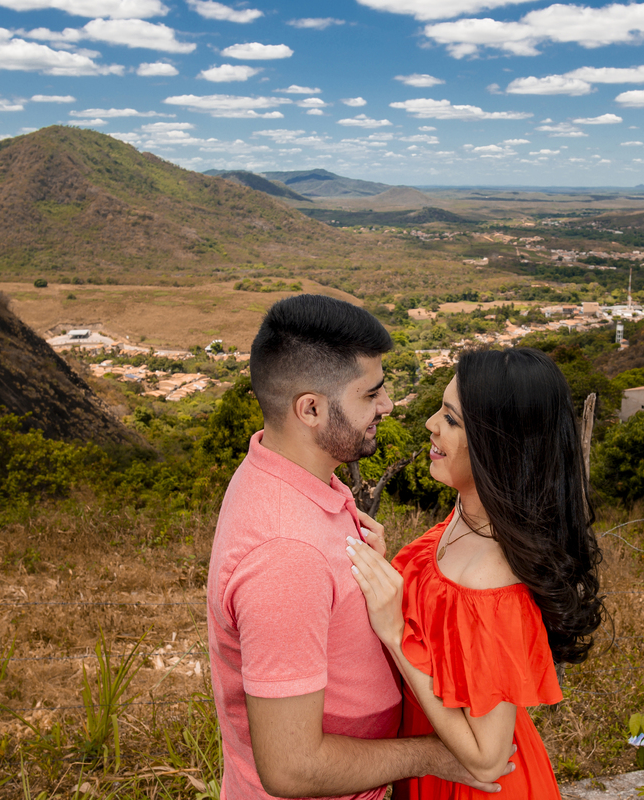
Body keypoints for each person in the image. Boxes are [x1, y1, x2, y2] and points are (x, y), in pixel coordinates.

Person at [206, 294, 512, 800]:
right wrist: (433, 754)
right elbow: (292, 769)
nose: (388, 406)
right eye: (371, 395)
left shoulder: (291, 471)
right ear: (311, 409)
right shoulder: (286, 555)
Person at [347, 347, 605, 799]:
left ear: (496, 445)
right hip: (434, 767)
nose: (430, 423)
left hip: (469, 787)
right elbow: (445, 632)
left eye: (450, 418)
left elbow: (487, 756)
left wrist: (393, 631)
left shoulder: (494, 582)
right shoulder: (470, 516)